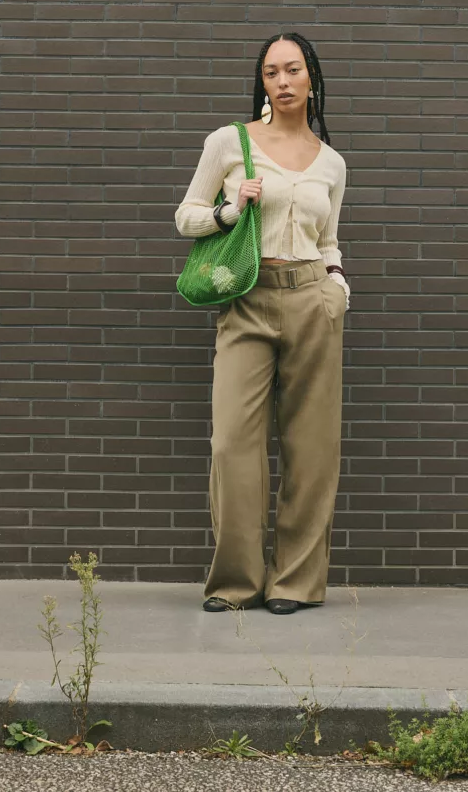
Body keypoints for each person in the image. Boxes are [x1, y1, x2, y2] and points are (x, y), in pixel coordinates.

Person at [175, 33, 349, 615]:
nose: (282, 80)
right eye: (271, 71)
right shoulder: (230, 142)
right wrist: (230, 209)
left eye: (293, 69)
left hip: (312, 300)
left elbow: (328, 240)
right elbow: (187, 217)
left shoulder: (332, 161)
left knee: (312, 448)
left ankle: (295, 582)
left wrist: (337, 286)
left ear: (311, 78)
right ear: (262, 81)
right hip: (248, 300)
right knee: (232, 445)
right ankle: (236, 582)